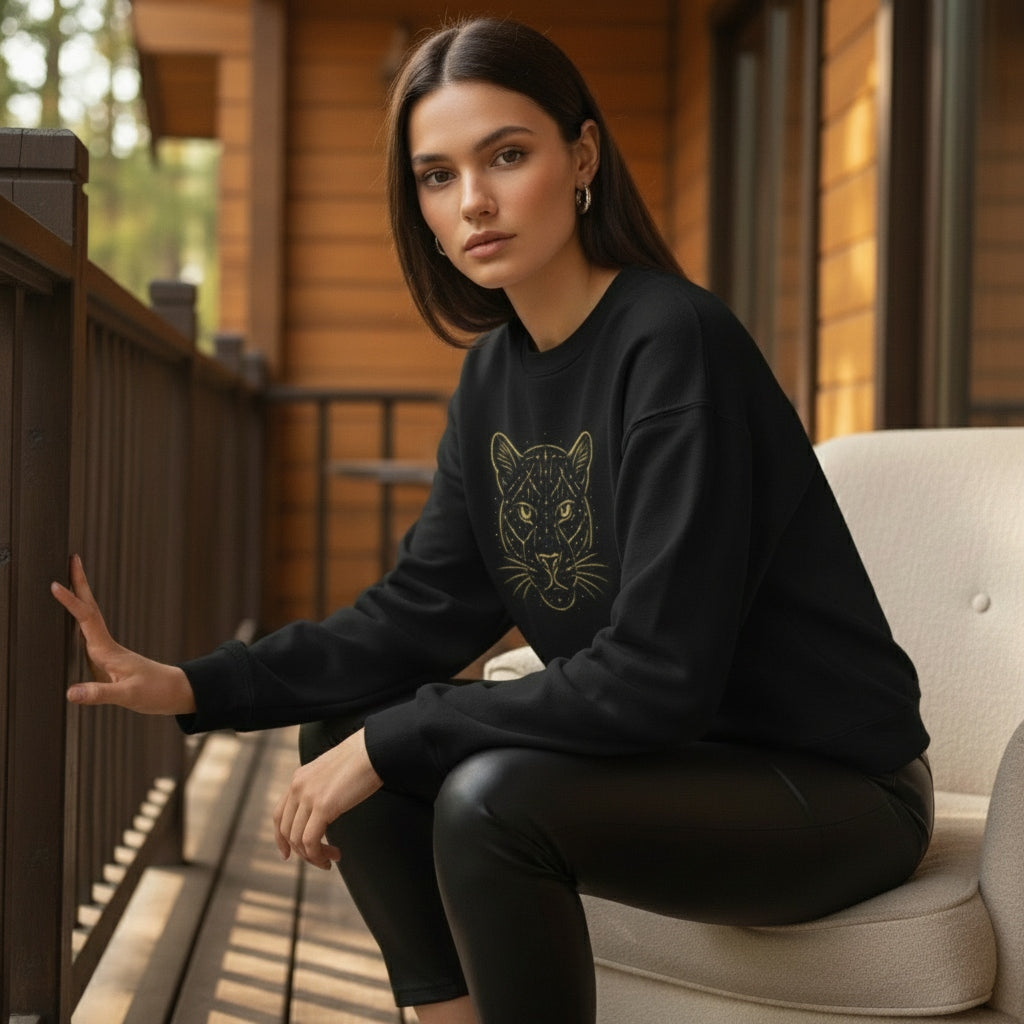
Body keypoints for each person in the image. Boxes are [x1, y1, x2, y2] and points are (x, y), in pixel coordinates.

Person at [52, 17, 933, 1024]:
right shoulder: (492, 379)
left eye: (505, 155)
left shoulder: (675, 344)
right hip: (673, 767)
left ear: (581, 156)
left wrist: (405, 732)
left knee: (480, 797)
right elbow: (415, 615)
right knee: (344, 740)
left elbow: (657, 676)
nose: (472, 200)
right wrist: (190, 684)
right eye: (436, 175)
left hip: (829, 791)